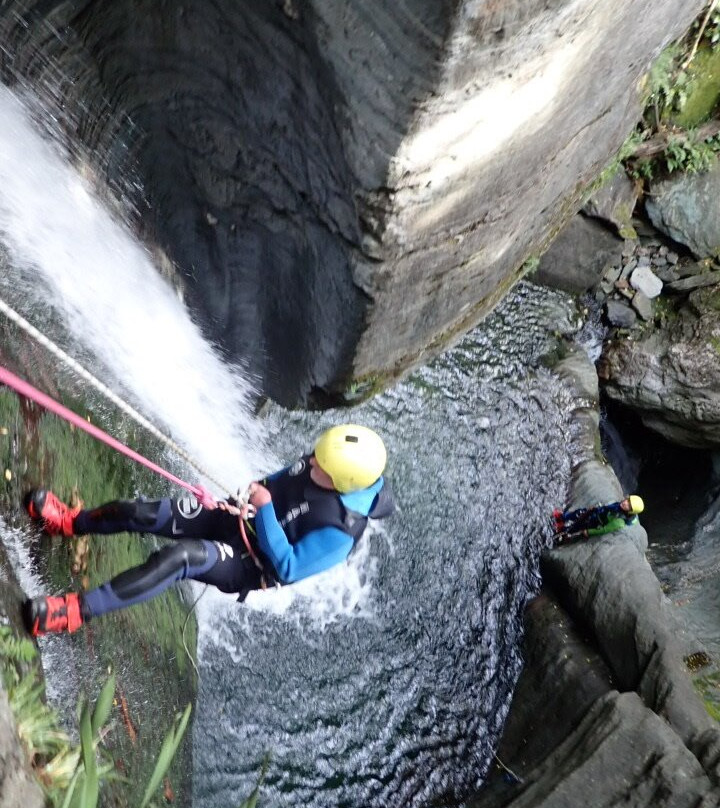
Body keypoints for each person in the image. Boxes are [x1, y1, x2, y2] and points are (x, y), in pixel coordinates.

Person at [22, 424, 394, 637]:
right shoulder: (326, 462)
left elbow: (288, 568)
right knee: (143, 512)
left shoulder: (341, 533)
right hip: (236, 515)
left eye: (321, 466)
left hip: (250, 563)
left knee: (180, 558)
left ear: (343, 482)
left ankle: (72, 612)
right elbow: (284, 479)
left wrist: (263, 510)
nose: (311, 461)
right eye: (316, 454)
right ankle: (72, 523)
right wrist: (253, 493)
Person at [552, 494, 644, 543]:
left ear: (630, 511)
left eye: (629, 506)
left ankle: (562, 530)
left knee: (577, 526)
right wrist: (595, 509)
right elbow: (607, 508)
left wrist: (589, 532)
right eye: (628, 501)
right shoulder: (619, 506)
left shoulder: (619, 521)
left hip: (595, 522)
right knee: (578, 513)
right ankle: (563, 517)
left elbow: (604, 530)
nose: (625, 503)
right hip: (597, 513)